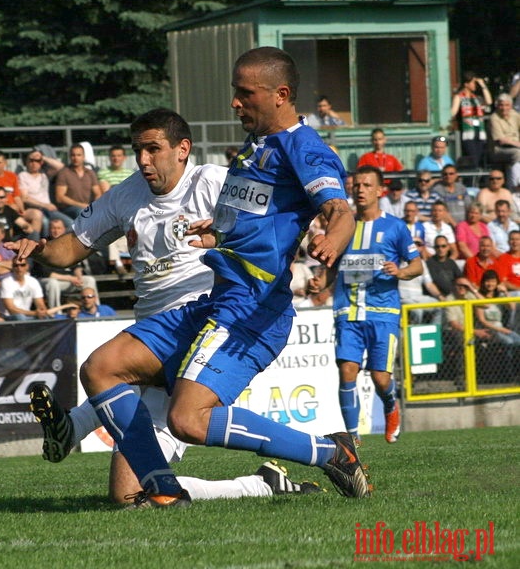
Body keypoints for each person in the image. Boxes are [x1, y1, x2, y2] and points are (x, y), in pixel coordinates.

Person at [70, 48, 362, 507]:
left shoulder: (304, 148)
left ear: (281, 94)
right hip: (216, 299)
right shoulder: (256, 148)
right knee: (100, 368)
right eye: (235, 92)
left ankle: (329, 452)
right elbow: (262, 216)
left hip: (252, 307)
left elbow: (339, 209)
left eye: (244, 93)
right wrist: (220, 229)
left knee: (189, 419)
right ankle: (164, 490)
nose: (235, 103)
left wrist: (335, 239)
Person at [11, 109, 315, 502]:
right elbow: (70, 248)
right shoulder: (125, 195)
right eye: (138, 150)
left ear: (182, 149)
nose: (143, 160)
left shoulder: (212, 182)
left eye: (153, 149)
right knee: (129, 496)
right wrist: (37, 250)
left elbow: (271, 223)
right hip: (151, 334)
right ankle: (260, 485)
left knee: (111, 373)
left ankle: (72, 427)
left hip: (199, 322)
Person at [318, 166, 421, 444]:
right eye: (356, 185)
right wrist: (321, 283)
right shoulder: (343, 225)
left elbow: (417, 265)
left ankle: (390, 404)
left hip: (383, 311)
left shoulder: (395, 227)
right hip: (347, 311)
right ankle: (352, 438)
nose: (360, 189)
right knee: (347, 370)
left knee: (380, 378)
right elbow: (333, 264)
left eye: (366, 185)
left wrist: (400, 272)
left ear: (379, 191)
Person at [32, 218, 97, 309]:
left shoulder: (69, 242)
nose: (56, 231)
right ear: (49, 230)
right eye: (53, 228)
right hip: (50, 281)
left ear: (64, 229)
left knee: (89, 280)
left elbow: (77, 266)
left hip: (70, 281)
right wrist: (70, 278)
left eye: (58, 228)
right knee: (52, 283)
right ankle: (56, 313)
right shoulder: (43, 245)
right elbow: (47, 274)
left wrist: (79, 278)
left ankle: (96, 308)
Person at [450, 71, 492, 169]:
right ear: (466, 84)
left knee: (480, 159)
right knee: (473, 159)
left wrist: (483, 85)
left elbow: (489, 102)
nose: (475, 85)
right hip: (468, 132)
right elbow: (453, 112)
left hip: (480, 132)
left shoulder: (477, 98)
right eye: (473, 82)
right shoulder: (459, 97)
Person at [54, 144, 101, 219]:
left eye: (79, 155)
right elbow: (60, 197)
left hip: (88, 207)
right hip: (69, 209)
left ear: (83, 157)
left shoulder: (90, 173)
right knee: (81, 212)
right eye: (73, 155)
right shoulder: (64, 173)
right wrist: (81, 205)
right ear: (70, 157)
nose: (75, 158)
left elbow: (98, 193)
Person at [490, 93, 520, 189]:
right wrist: (518, 144)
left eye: (507, 105)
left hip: (515, 147)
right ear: (497, 105)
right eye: (501, 105)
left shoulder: (515, 115)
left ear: (511, 106)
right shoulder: (494, 118)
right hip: (499, 150)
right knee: (517, 153)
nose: (504, 108)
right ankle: (516, 186)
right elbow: (501, 141)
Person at [426, 235, 463, 300]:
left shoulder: (451, 263)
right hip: (437, 298)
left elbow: (459, 279)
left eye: (443, 246)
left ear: (448, 247)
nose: (440, 249)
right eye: (437, 247)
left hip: (454, 296)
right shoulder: (428, 264)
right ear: (434, 248)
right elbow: (432, 283)